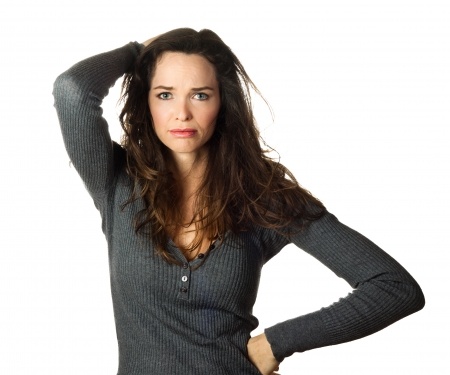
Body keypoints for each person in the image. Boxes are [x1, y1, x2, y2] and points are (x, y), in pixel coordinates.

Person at [53, 28, 425, 375]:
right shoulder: (118, 184)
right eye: (165, 94)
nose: (182, 112)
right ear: (146, 102)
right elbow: (72, 89)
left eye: (200, 95)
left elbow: (394, 288)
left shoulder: (261, 197)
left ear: (222, 102)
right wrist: (138, 53)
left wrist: (275, 344)